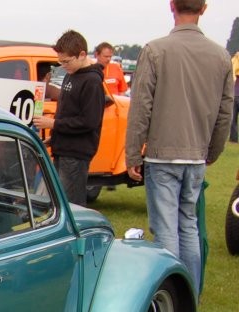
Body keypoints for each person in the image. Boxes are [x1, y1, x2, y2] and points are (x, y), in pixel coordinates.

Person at [125, 0, 233, 295]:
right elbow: (225, 112)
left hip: (164, 156)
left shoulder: (155, 50)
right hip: (195, 155)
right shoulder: (221, 56)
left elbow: (141, 107)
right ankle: (190, 296)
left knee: (166, 231)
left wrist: (133, 152)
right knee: (188, 227)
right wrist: (213, 150)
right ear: (204, 9)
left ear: (171, 6)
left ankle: (172, 298)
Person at [32, 30, 105, 206]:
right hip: (63, 148)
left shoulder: (92, 81)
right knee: (57, 202)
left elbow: (89, 121)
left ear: (82, 54)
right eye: (60, 62)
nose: (63, 66)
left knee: (70, 203)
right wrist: (55, 138)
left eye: (66, 61)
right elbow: (67, 112)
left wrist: (54, 124)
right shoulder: (70, 75)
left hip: (76, 153)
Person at [231, 50, 239, 143]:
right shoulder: (235, 60)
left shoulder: (234, 61)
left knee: (233, 119)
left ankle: (233, 138)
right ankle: (233, 138)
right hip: (235, 94)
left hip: (235, 94)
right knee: (233, 119)